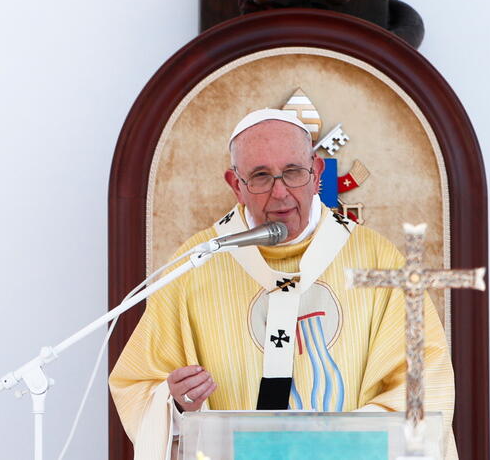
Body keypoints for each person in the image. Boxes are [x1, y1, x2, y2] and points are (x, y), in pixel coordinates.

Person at [109, 109, 458, 459]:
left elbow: (425, 383)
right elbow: (138, 386)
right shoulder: (197, 264)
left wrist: (329, 446)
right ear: (236, 185)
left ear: (317, 172)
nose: (279, 192)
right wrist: (175, 406)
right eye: (260, 176)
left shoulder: (378, 260)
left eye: (293, 172)